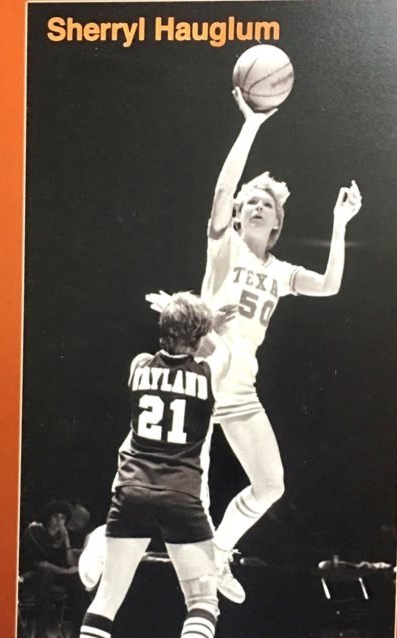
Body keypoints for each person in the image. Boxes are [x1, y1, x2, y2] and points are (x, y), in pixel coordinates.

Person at [148, 88, 362, 604]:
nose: (257, 205)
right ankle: (187, 582)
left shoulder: (282, 272)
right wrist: (252, 124)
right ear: (239, 217)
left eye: (267, 202)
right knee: (186, 492)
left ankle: (220, 554)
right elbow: (223, 191)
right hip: (198, 380)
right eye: (251, 202)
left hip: (240, 388)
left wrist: (339, 224)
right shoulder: (223, 250)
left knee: (272, 485)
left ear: (277, 222)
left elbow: (331, 285)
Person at [66, 292, 231, 638]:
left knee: (106, 599)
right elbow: (215, 348)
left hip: (132, 489)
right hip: (180, 494)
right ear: (197, 338)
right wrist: (210, 323)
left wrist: (178, 318)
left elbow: (178, 343)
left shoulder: (139, 365)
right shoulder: (211, 368)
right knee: (202, 600)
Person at [19, 499, 88, 638]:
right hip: (32, 573)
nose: (59, 521)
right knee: (47, 575)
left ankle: (79, 631)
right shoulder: (36, 530)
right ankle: (41, 630)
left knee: (76, 580)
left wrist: (66, 539)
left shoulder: (63, 535)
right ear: (48, 517)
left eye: (63, 518)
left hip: (55, 573)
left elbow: (70, 562)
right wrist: (66, 572)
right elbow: (42, 564)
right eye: (55, 517)